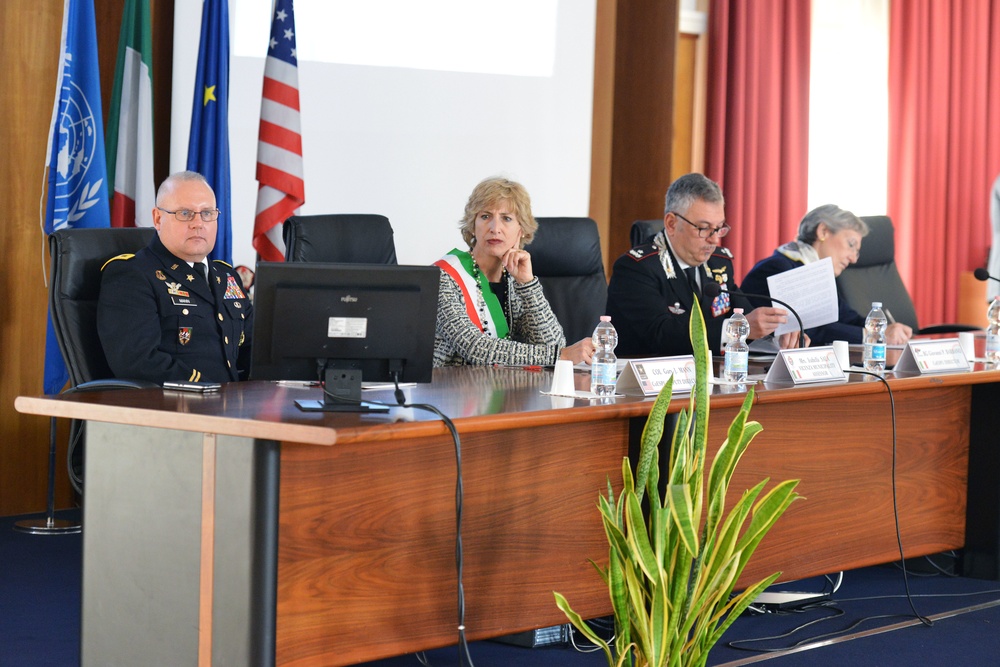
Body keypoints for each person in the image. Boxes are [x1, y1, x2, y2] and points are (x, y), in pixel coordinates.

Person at [606, 173, 797, 357]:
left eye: (719, 228)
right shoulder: (635, 269)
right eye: (704, 228)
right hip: (649, 376)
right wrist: (735, 329)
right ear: (671, 224)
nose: (714, 239)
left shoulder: (719, 262)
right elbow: (661, 334)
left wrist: (778, 333)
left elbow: (745, 316)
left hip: (710, 372)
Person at [97, 171, 253, 383]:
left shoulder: (227, 276)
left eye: (207, 213)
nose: (198, 223)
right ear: (158, 218)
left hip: (234, 400)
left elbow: (254, 350)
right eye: (185, 213)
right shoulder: (133, 276)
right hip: (175, 400)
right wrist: (210, 390)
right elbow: (138, 362)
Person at [433, 177, 594, 366]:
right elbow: (474, 348)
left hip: (499, 383)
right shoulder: (443, 276)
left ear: (521, 230)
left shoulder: (512, 280)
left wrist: (528, 285)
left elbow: (553, 344)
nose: (495, 228)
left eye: (506, 218)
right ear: (473, 226)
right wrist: (559, 355)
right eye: (485, 217)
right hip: (446, 383)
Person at [742, 204, 913, 346]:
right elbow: (809, 329)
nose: (854, 259)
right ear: (823, 231)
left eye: (857, 252)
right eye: (851, 244)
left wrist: (882, 329)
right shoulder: (779, 268)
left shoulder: (820, 274)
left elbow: (847, 318)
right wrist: (871, 335)